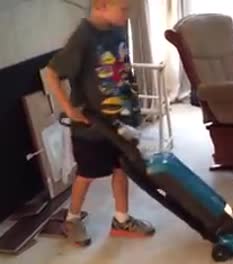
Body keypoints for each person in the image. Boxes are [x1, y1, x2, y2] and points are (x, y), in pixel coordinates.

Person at [44, 0, 155, 247]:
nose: (127, 16)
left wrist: (133, 106)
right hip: (92, 126)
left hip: (120, 121)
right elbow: (51, 73)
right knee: (87, 174)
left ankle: (122, 220)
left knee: (121, 168)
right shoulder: (83, 36)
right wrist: (69, 109)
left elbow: (123, 68)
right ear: (102, 5)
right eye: (124, 9)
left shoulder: (117, 29)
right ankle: (72, 219)